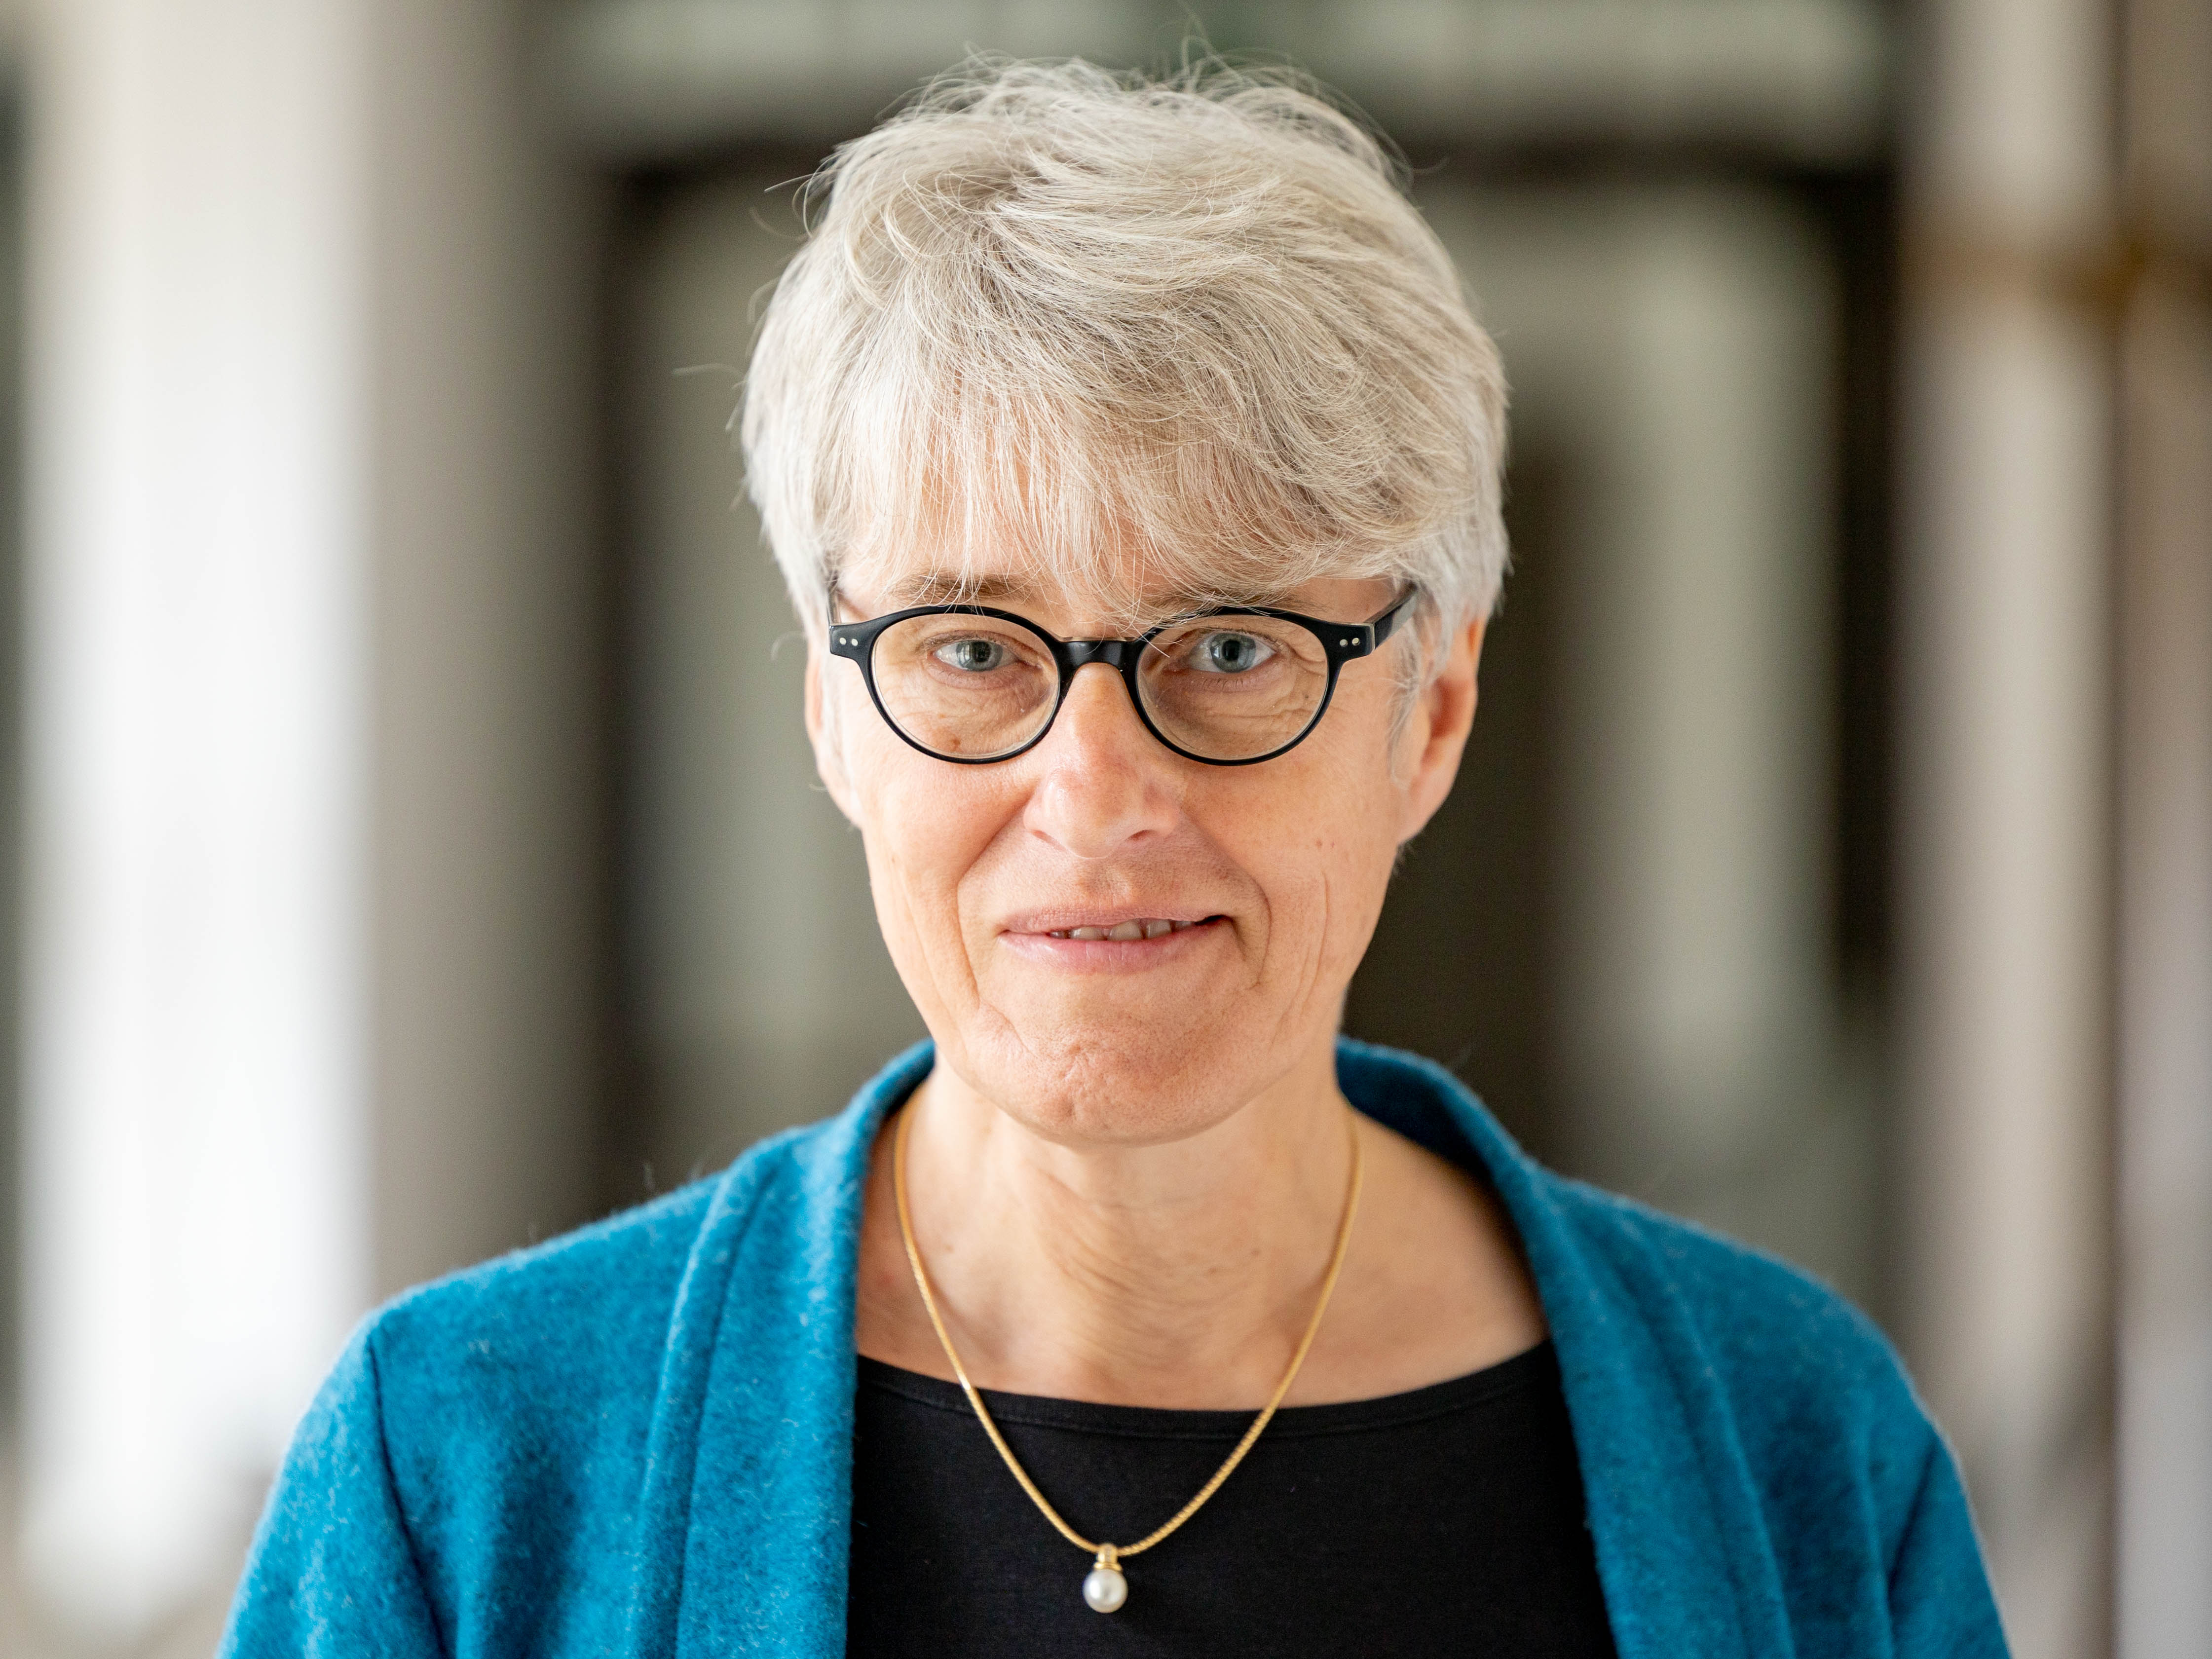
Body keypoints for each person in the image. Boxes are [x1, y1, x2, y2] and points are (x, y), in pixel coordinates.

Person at [221, 59, 2007, 1659]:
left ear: (1435, 712)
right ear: (832, 715)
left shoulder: (1803, 1453)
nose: (1093, 795)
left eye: (1228, 646)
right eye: (969, 647)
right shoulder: (457, 1470)